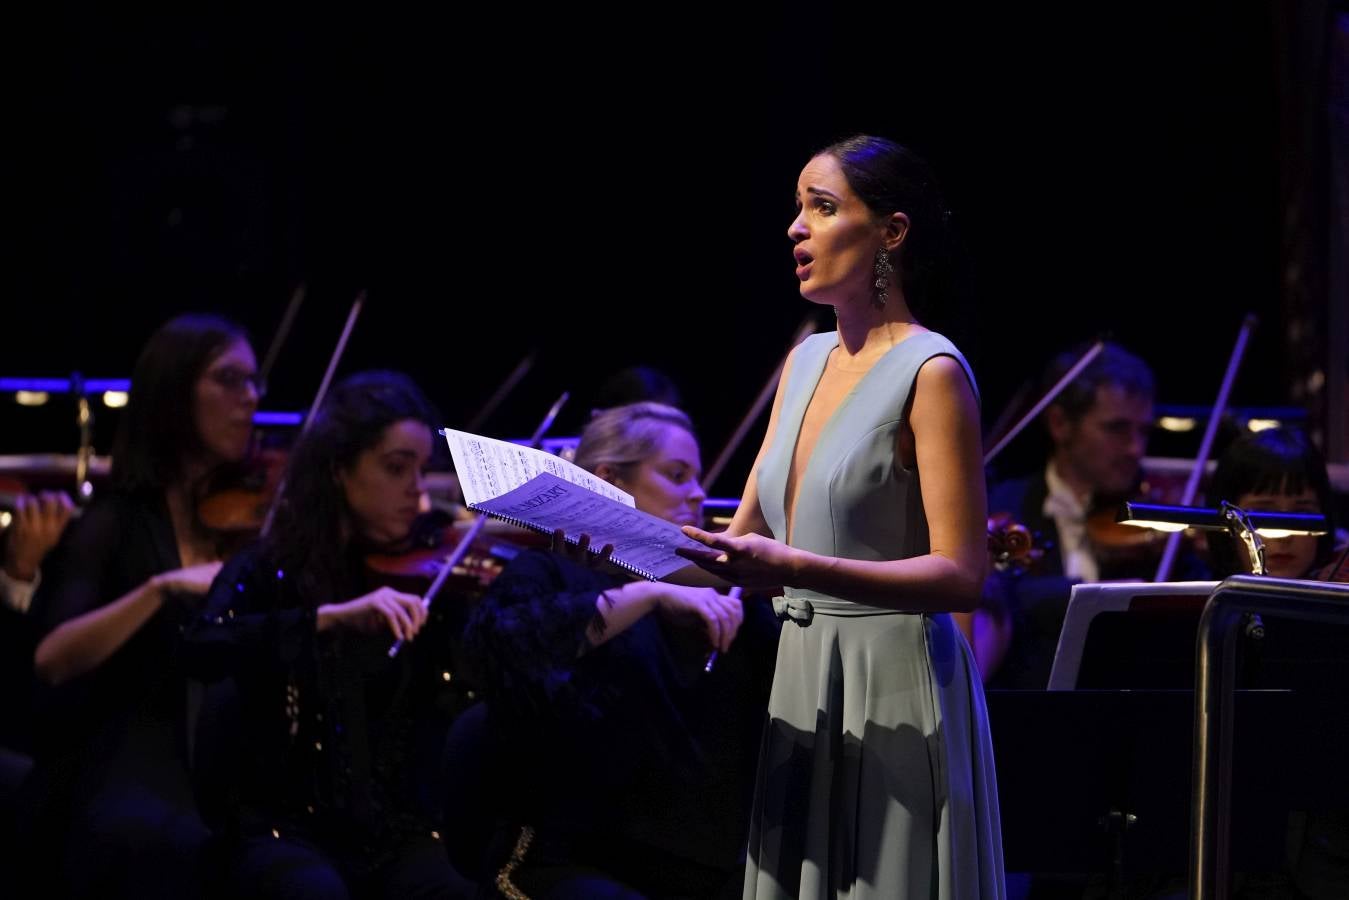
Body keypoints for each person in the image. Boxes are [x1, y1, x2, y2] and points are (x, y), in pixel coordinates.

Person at [678, 135, 1003, 898]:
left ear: (891, 231)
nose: (795, 227)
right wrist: (608, 542)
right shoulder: (801, 363)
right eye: (797, 208)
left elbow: (961, 575)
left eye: (821, 207)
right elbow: (738, 550)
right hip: (802, 680)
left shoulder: (931, 371)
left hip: (894, 686)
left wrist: (798, 569)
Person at [462, 401, 780, 899]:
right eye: (677, 475)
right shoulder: (546, 574)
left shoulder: (728, 596)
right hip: (562, 862)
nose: (698, 493)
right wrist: (648, 593)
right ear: (611, 479)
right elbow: (501, 655)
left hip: (699, 869)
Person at [181, 370, 474, 899]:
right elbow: (200, 644)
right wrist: (326, 618)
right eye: (395, 468)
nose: (417, 490)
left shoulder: (431, 574)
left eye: (421, 469)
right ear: (340, 469)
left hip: (392, 835)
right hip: (281, 830)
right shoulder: (271, 565)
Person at [26, 313, 260, 899]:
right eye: (229, 379)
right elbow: (53, 659)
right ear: (175, 391)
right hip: (126, 763)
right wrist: (163, 587)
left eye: (255, 383)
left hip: (224, 766)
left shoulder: (249, 523)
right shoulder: (114, 523)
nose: (249, 399)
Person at [983, 342, 1157, 688]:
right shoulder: (1001, 509)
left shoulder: (1153, 522)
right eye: (1117, 429)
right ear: (1060, 424)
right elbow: (994, 606)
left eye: (1144, 431)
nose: (1136, 449)